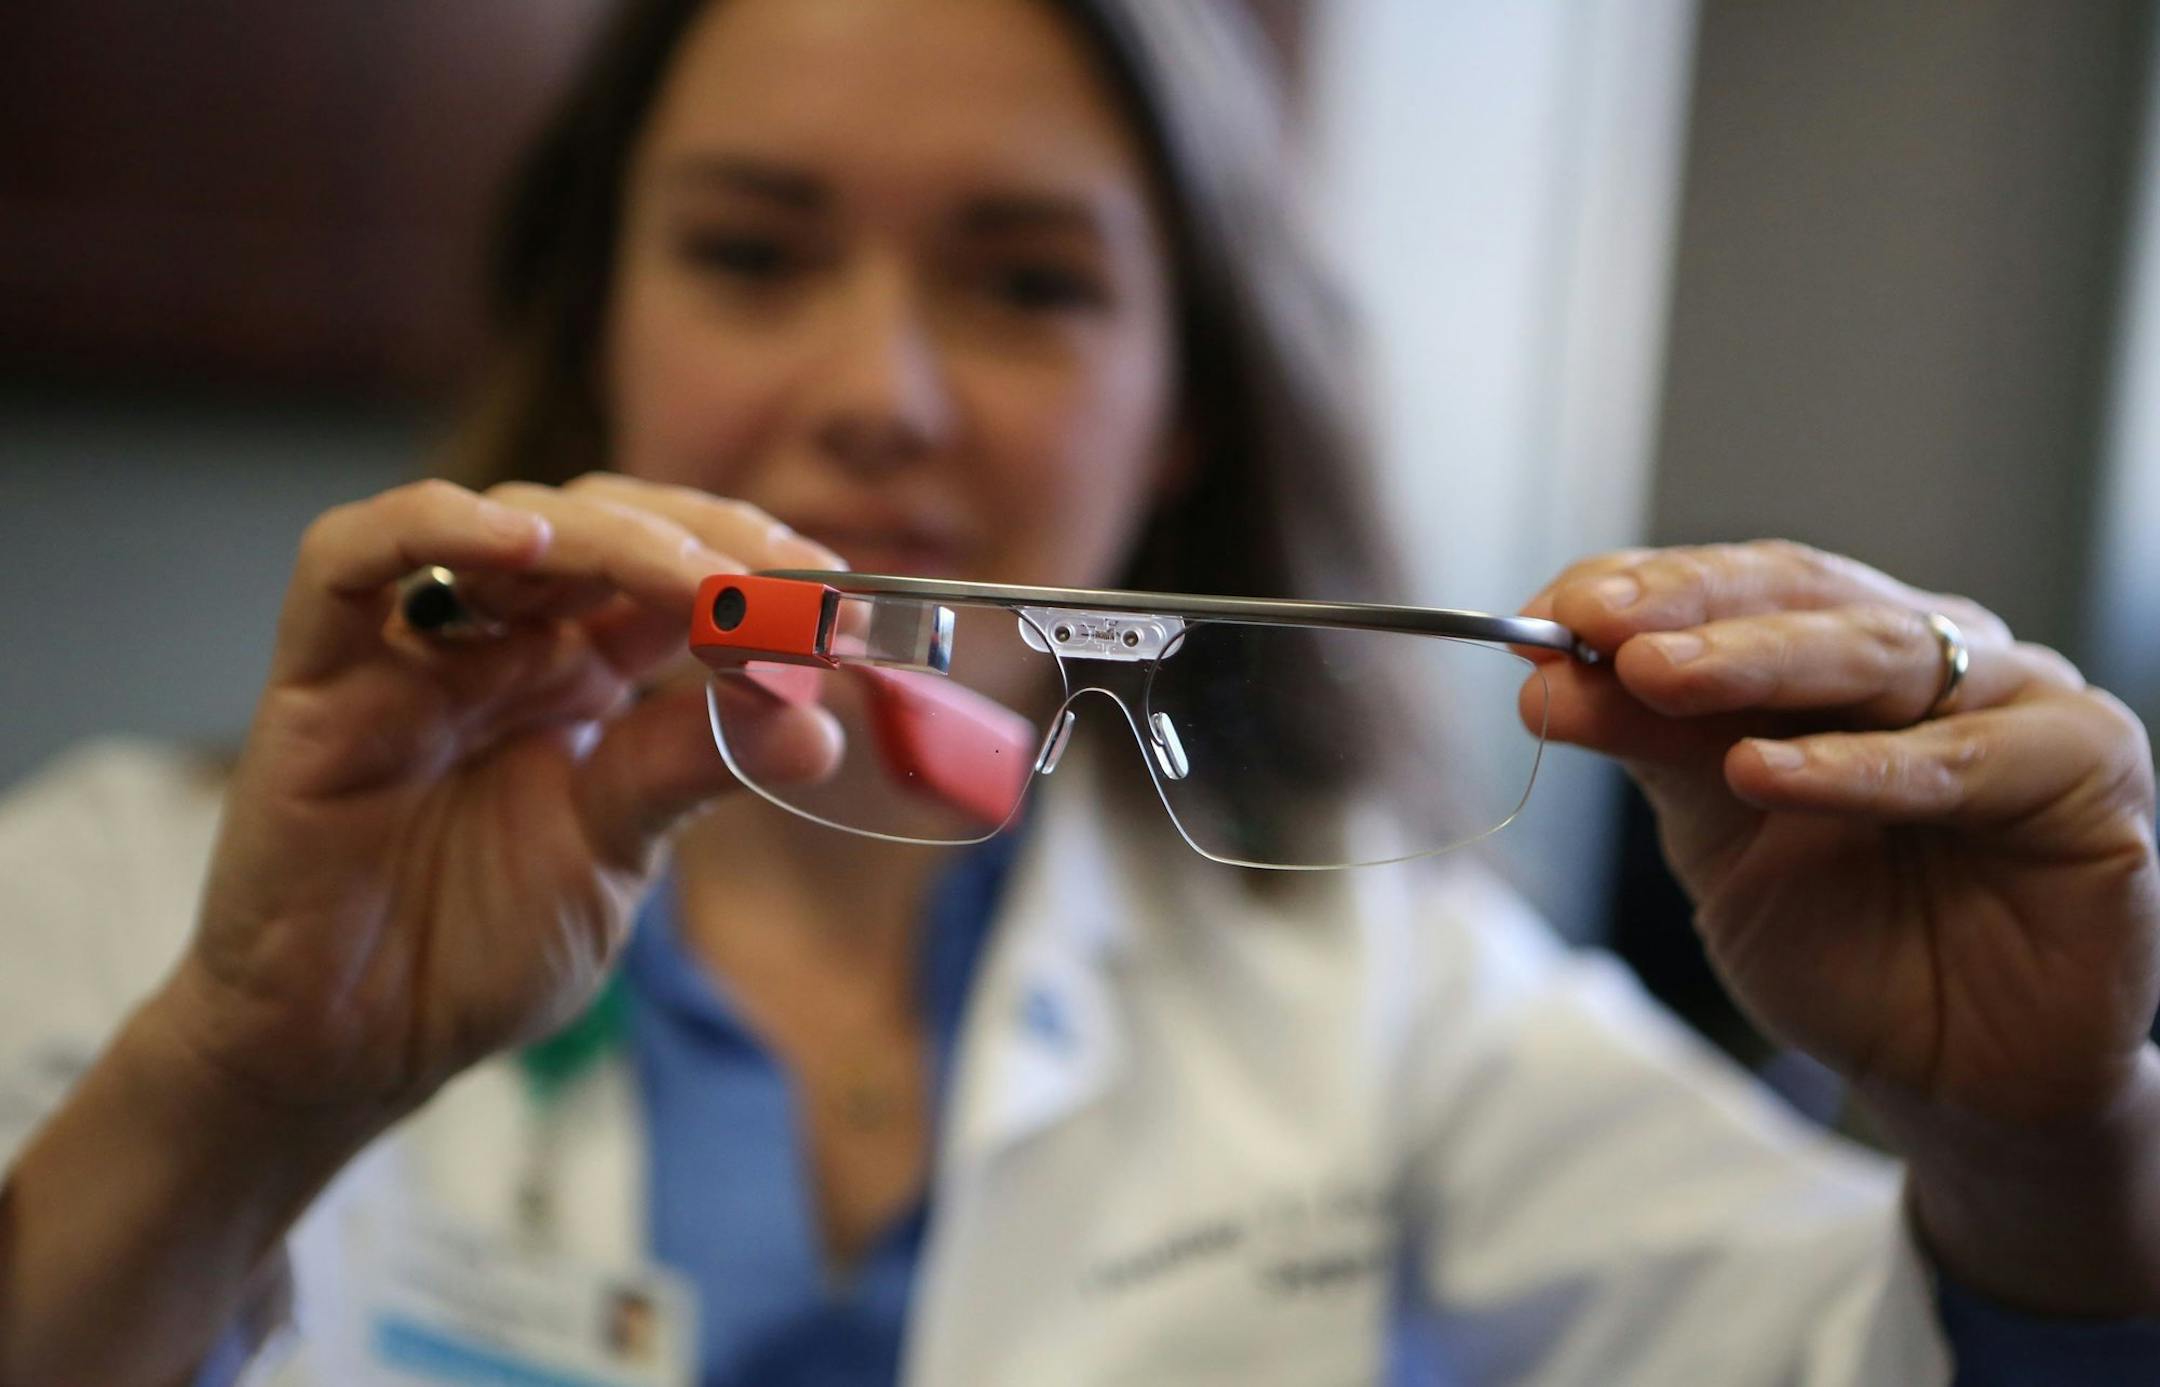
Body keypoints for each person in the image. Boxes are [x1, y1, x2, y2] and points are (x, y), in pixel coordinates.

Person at [4, 0, 2158, 1383]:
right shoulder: (114, 906)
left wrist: (2042, 1148)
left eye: (1030, 282)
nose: (881, 396)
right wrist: (233, 1099)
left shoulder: (1378, 992)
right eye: (756, 252)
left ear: (1183, 411)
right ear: (604, 318)